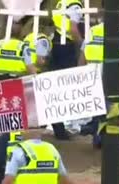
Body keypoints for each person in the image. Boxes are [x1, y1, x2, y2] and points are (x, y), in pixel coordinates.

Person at [78, 20, 119, 148]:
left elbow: (82, 56)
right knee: (114, 105)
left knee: (97, 105)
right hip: (111, 73)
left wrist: (81, 73)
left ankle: (97, 138)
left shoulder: (91, 31)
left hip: (92, 74)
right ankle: (113, 139)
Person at [50, 0, 83, 140]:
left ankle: (58, 127)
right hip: (67, 47)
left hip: (56, 43)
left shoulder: (61, 2)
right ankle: (65, 127)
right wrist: (82, 44)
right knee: (66, 86)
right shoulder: (75, 5)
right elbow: (73, 28)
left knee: (54, 86)